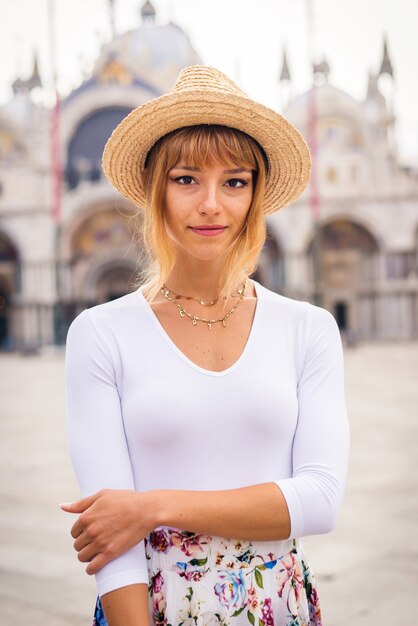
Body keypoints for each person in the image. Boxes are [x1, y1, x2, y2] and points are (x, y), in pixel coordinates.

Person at [61, 65, 349, 626]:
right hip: (155, 606)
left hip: (277, 606)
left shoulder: (308, 328)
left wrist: (150, 507)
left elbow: (319, 500)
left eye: (235, 181)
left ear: (255, 195)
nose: (211, 204)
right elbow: (112, 546)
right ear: (156, 191)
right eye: (187, 179)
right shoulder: (100, 334)